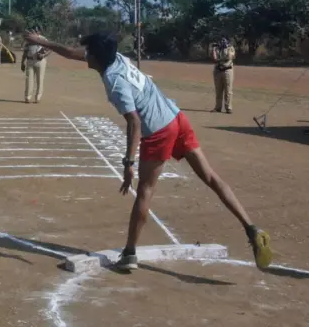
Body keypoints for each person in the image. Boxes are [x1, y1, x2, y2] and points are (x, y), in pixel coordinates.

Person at [23, 30, 273, 272]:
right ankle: (252, 229)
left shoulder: (114, 81)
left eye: (88, 51)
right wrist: (44, 41)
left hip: (159, 130)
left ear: (96, 57)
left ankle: (130, 253)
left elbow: (134, 122)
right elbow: (70, 52)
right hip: (176, 117)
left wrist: (128, 163)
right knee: (210, 177)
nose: (84, 54)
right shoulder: (117, 58)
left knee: (145, 190)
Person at [210, 37, 235, 114]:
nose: (222, 41)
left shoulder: (230, 48)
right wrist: (214, 49)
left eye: (224, 40)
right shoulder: (217, 49)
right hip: (218, 71)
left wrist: (219, 59)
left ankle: (228, 108)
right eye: (220, 40)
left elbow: (229, 57)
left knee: (228, 90)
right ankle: (218, 107)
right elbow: (214, 58)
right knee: (218, 90)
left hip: (227, 70)